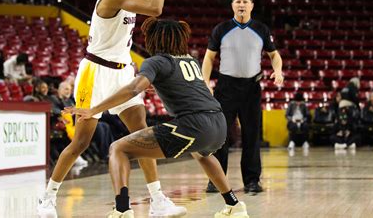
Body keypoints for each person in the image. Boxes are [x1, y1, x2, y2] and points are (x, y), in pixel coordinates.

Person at [37, 0, 186, 217]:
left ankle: (158, 200)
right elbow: (155, 8)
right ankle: (47, 198)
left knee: (141, 134)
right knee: (81, 141)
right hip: (95, 72)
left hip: (122, 71)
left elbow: (148, 2)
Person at [64, 18, 250, 218]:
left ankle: (122, 210)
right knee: (201, 153)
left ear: (156, 40)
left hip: (194, 124)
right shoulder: (190, 60)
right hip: (219, 123)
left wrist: (94, 109)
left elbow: (135, 88)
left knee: (117, 149)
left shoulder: (156, 61)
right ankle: (233, 204)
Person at [201, 0, 284, 194]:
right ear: (232, 5)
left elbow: (274, 55)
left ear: (251, 6)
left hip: (251, 89)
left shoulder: (261, 29)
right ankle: (216, 180)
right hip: (226, 88)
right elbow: (209, 58)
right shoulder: (221, 29)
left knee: (252, 135)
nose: (241, 5)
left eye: (245, 2)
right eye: (237, 1)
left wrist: (278, 71)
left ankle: (252, 181)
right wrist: (205, 83)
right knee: (220, 136)